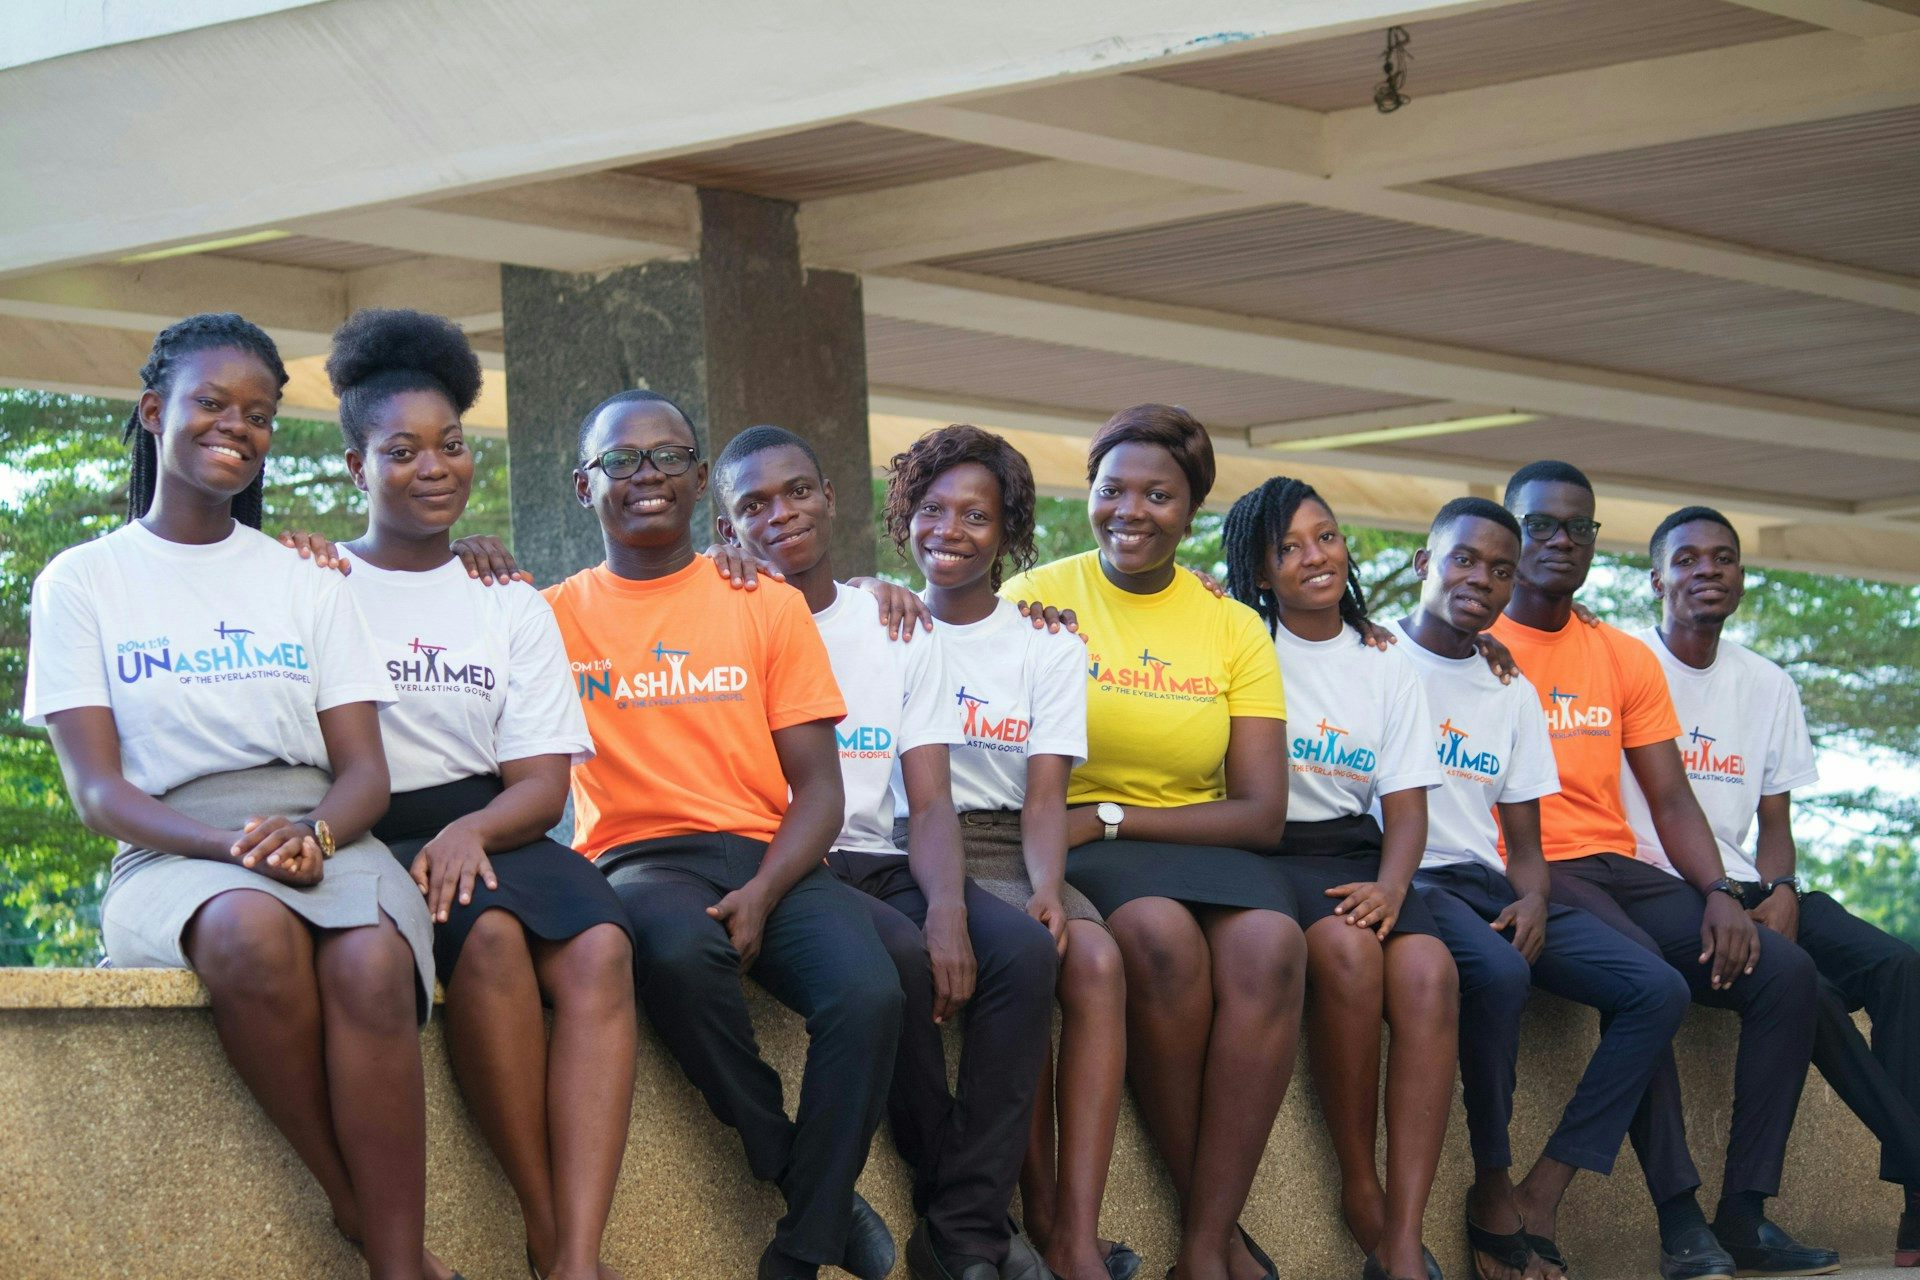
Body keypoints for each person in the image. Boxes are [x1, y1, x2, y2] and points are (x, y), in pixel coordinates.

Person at [24, 314, 448, 1280]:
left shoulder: (306, 579)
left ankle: (393, 1265)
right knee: (248, 936)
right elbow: (96, 792)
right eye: (212, 404)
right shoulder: (82, 582)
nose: (237, 427)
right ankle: (361, 1214)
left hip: (324, 829)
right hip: (172, 843)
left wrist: (316, 834)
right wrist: (235, 853)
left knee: (370, 970)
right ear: (152, 411)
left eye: (257, 414)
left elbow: (366, 774)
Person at [542, 390, 903, 1280]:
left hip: (771, 855)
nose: (647, 476)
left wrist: (768, 889)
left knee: (870, 996)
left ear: (701, 480)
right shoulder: (547, 616)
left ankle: (802, 1247)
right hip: (638, 862)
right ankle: (785, 1159)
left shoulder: (764, 602)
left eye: (669, 457)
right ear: (584, 485)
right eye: (621, 462)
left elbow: (818, 790)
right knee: (673, 956)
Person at [322, 308, 639, 1280]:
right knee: (492, 941)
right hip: (379, 822)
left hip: (497, 816)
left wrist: (471, 829)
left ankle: (577, 1254)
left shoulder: (509, 596)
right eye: (403, 449)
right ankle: (546, 1229)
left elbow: (544, 782)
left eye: (452, 445)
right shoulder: (315, 580)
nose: (434, 466)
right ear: (355, 468)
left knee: (602, 946)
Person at [710, 424, 1059, 1280]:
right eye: (753, 506)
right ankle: (970, 1228)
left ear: (832, 497)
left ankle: (962, 1219)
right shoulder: (725, 615)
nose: (781, 515)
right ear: (726, 530)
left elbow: (930, 798)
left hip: (880, 854)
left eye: (798, 492)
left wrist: (947, 909)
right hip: (792, 867)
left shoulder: (893, 622)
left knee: (1019, 952)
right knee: (899, 958)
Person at [1487, 460, 1830, 1280]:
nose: (1561, 542)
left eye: (1580, 528)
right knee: (1648, 978)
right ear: (1509, 533)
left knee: (1786, 971)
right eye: (1540, 525)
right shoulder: (1473, 639)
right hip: (1521, 864)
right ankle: (1679, 1219)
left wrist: (1717, 891)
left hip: (1618, 864)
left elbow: (1671, 797)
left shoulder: (1618, 653)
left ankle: (1743, 1213)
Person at [1003, 404, 1303, 1280]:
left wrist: (1113, 818)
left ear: (1191, 509)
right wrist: (881, 592)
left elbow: (1261, 813)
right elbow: (935, 618)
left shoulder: (1230, 625)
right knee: (1161, 941)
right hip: (1070, 838)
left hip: (1182, 835)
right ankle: (1216, 1240)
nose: (1130, 510)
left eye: (1158, 495)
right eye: (1112, 490)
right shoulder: (1038, 597)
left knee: (1273, 945)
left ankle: (1206, 1245)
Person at [1393, 498, 1691, 1280]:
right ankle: (1491, 1182)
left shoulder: (1508, 686)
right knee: (1497, 972)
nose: (1481, 581)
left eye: (1499, 570)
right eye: (1464, 560)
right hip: (1403, 878)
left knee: (1656, 989)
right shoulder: (1375, 656)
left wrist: (1530, 899)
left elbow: (1523, 844)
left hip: (1487, 883)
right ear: (1426, 563)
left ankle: (1544, 1186)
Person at [1624, 505, 1920, 1269]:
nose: (1707, 570)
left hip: (1756, 883)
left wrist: (1784, 886)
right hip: (1669, 888)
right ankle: (1751, 1214)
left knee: (1899, 967)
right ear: (1656, 580)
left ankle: (1914, 1200)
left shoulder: (1768, 682)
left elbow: (1774, 819)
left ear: (1742, 579)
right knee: (1805, 991)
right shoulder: (1626, 669)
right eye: (1687, 559)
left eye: (1723, 558)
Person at [880, 423, 1137, 1280]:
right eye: (932, 507)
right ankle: (997, 1219)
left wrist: (1047, 886)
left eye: (976, 515)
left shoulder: (1048, 641)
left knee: (1093, 959)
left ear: (1009, 531)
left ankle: (1073, 1221)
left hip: (1012, 837)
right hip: (913, 843)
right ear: (904, 514)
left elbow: (1044, 795)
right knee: (1010, 962)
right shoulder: (881, 619)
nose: (949, 529)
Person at [1221, 477, 1456, 1280]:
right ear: (1259, 573)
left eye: (1324, 536)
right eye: (1287, 548)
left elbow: (1408, 807)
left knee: (1429, 970)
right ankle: (1362, 1187)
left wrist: (1393, 887)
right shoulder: (1240, 640)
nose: (1313, 557)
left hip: (1360, 853)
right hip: (1272, 853)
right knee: (1352, 961)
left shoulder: (1385, 660)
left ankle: (1402, 1233)